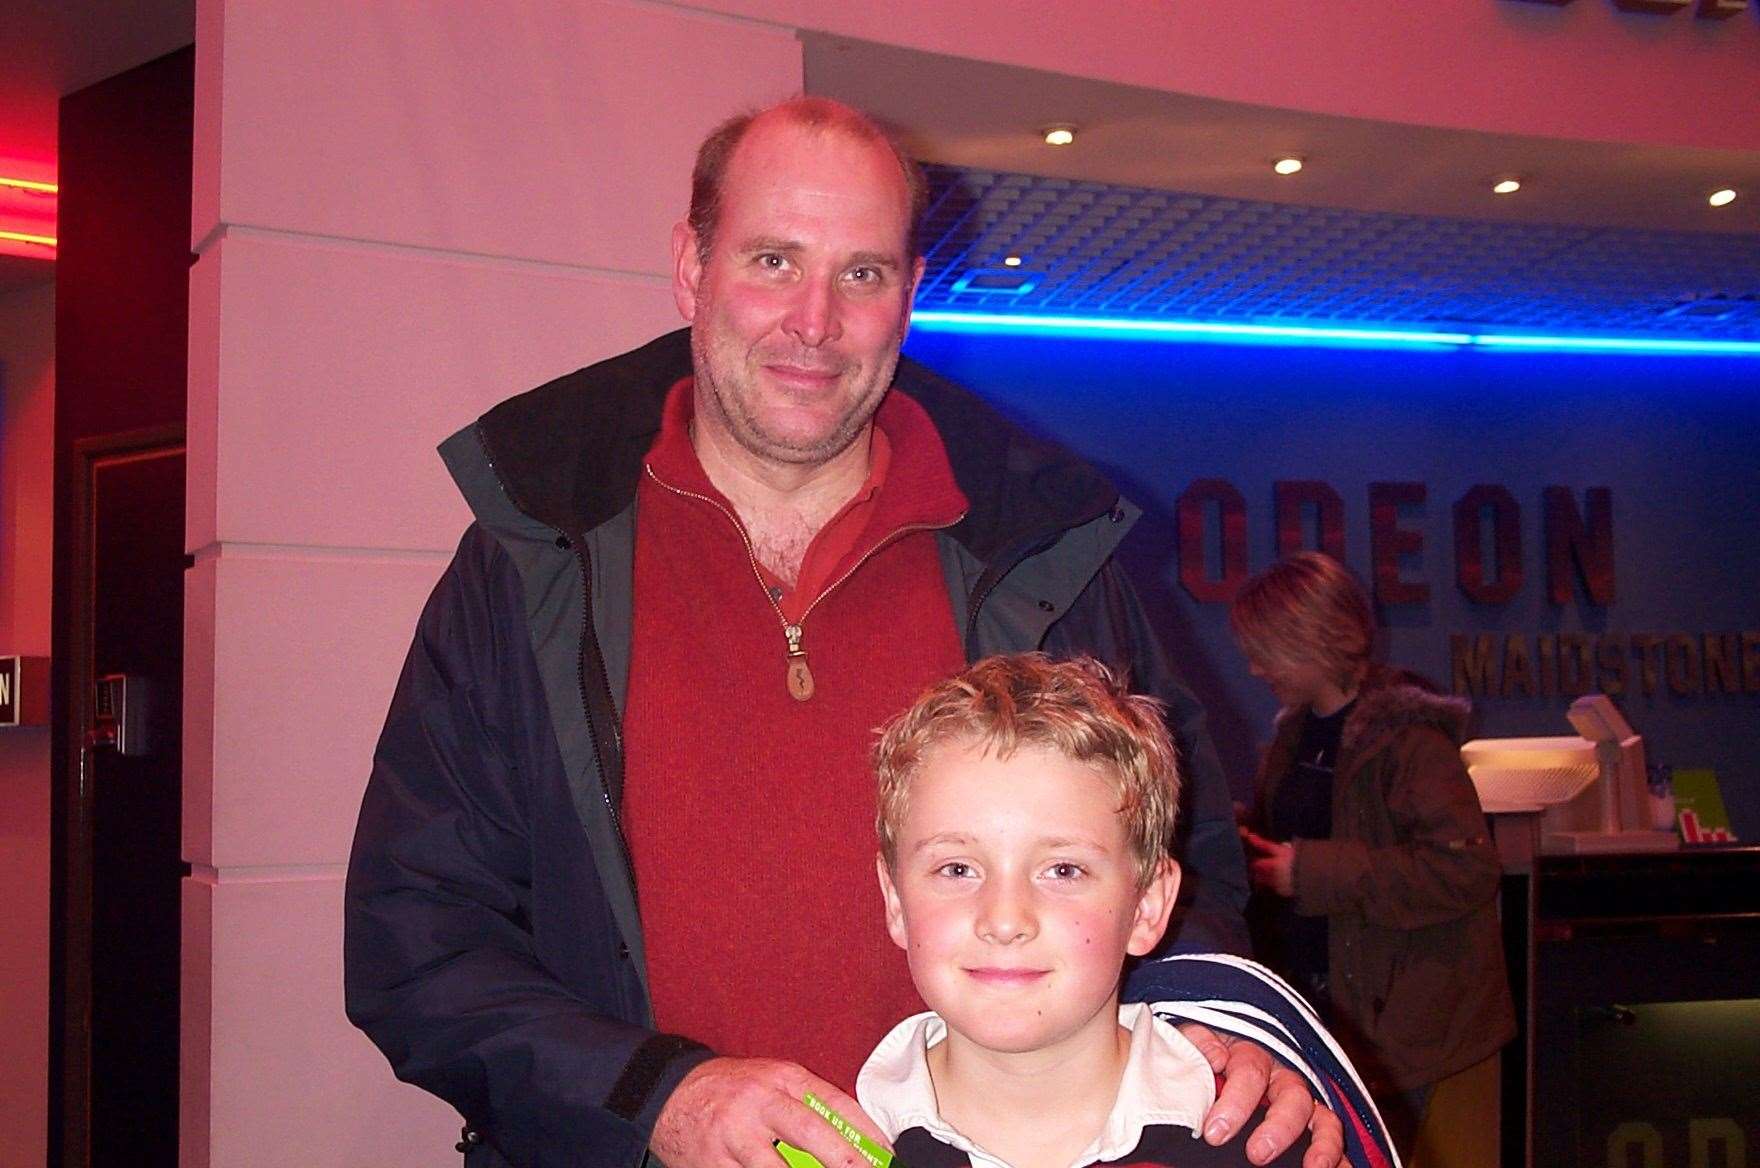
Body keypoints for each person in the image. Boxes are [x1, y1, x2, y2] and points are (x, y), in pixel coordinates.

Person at [344, 96, 1342, 1168]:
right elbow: (418, 934)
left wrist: (1212, 1021)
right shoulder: (534, 553)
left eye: (860, 274)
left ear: (909, 295)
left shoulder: (1040, 554)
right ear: (690, 266)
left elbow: (1176, 860)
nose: (812, 320)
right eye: (772, 259)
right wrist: (650, 1098)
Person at [859, 654, 1393, 1168]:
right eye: (957, 869)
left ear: (1148, 905)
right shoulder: (826, 1150)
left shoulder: (1266, 1146)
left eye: (1063, 871)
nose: (1003, 920)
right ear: (895, 899)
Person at [1227, 552, 1515, 1156]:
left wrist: (1304, 871)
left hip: (1426, 1040)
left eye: (1265, 649)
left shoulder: (1411, 738)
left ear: (1316, 639)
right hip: (1340, 1027)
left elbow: (1463, 870)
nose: (1252, 667)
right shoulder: (1293, 736)